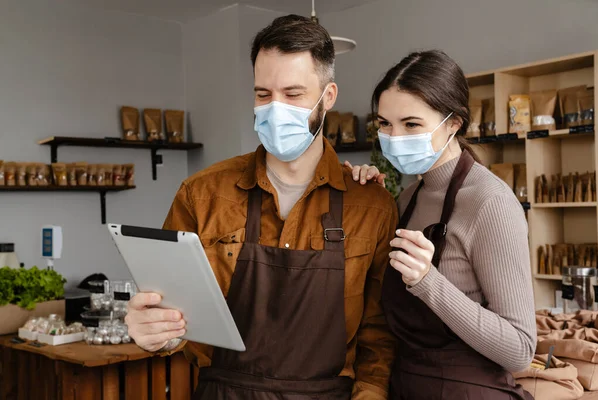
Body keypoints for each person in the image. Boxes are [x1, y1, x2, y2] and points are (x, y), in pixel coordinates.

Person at [125, 15, 397, 400]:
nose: (275, 108)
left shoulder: (371, 205)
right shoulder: (201, 195)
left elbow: (379, 336)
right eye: (263, 94)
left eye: (293, 94)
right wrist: (155, 333)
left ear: (328, 96)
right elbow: (172, 315)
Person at [347, 50, 536, 399]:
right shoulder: (405, 198)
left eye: (411, 124)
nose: (394, 136)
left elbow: (520, 350)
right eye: (385, 124)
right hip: (403, 387)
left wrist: (428, 281)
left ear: (454, 123)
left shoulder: (489, 202)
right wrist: (368, 202)